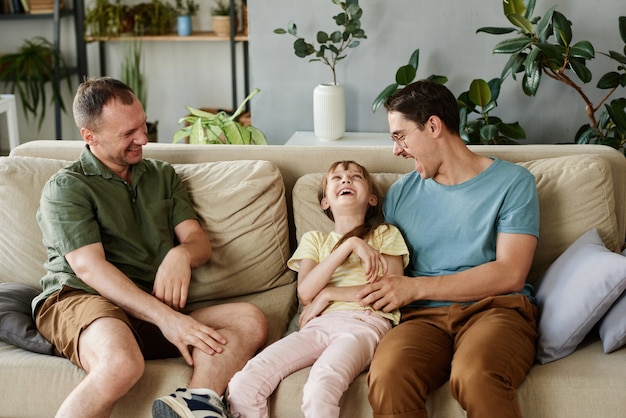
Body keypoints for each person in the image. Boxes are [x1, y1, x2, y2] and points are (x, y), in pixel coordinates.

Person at [32, 77, 268, 418]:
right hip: (81, 298)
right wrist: (168, 319)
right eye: (128, 133)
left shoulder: (161, 175)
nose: (142, 139)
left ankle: (194, 406)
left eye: (143, 125)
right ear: (90, 136)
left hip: (145, 308)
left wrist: (181, 254)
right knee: (121, 364)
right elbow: (89, 268)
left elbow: (198, 242)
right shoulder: (68, 187)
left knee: (248, 319)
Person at [356, 80, 540, 418]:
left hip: (494, 310)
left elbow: (511, 273)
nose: (396, 150)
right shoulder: (400, 193)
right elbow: (387, 273)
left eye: (400, 136)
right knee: (388, 376)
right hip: (421, 319)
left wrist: (417, 287)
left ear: (433, 126)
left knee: (474, 376)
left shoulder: (513, 183)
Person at [227, 160, 409, 418]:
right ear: (325, 202)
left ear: (371, 199)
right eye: (336, 178)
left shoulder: (384, 234)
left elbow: (392, 290)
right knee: (243, 384)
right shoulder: (315, 240)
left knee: (320, 386)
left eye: (355, 176)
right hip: (318, 325)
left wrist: (329, 294)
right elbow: (305, 292)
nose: (346, 180)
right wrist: (349, 245)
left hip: (364, 323)